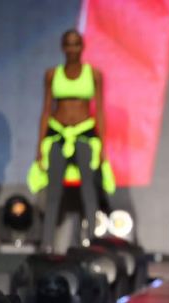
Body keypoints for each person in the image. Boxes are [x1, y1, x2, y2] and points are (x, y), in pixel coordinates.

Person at [35, 29, 105, 252]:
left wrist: (102, 146)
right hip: (58, 133)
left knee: (89, 190)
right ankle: (47, 244)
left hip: (84, 134)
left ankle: (93, 242)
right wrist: (39, 147)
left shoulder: (93, 74)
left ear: (82, 47)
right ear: (62, 47)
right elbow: (46, 110)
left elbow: (99, 111)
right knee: (53, 192)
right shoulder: (52, 74)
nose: (72, 48)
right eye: (68, 44)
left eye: (76, 44)